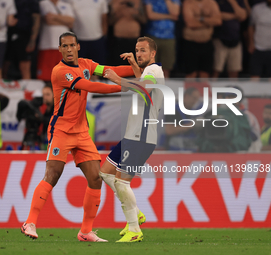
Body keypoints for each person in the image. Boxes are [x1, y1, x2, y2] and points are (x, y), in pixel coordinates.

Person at [21, 32, 137, 242]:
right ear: (59, 49)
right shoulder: (60, 72)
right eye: (64, 46)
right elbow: (89, 86)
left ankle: (85, 231)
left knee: (95, 178)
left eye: (71, 45)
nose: (68, 49)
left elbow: (110, 71)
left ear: (78, 47)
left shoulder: (86, 64)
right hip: (62, 131)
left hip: (82, 131)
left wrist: (140, 68)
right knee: (53, 174)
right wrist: (125, 87)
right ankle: (30, 222)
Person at [100, 36, 164, 242]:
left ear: (153, 53)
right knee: (106, 172)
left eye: (143, 50)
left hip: (141, 135)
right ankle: (135, 213)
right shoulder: (147, 71)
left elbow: (144, 87)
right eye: (137, 50)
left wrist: (117, 79)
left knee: (121, 182)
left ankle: (135, 230)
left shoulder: (154, 71)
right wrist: (135, 66)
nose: (139, 53)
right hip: (132, 134)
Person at [37, 0, 75, 82]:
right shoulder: (43, 3)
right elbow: (48, 20)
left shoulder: (66, 5)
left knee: (64, 75)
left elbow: (71, 21)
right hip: (48, 44)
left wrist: (54, 16)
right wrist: (64, 21)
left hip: (64, 45)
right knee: (46, 75)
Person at [182, 0, 222, 78]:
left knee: (205, 74)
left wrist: (200, 19)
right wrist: (209, 22)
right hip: (190, 43)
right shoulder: (188, 3)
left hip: (207, 43)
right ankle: (189, 90)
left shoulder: (211, 3)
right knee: (191, 74)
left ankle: (204, 90)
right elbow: (191, 24)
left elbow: (218, 21)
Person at [4, 0, 40, 79]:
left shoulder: (32, 2)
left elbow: (36, 20)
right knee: (5, 64)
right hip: (6, 35)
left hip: (25, 35)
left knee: (24, 65)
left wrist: (32, 40)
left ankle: (27, 88)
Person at [144, 0, 180, 78]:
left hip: (169, 37)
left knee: (166, 68)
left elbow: (175, 13)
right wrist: (169, 16)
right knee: (150, 68)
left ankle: (164, 89)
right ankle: (150, 89)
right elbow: (150, 15)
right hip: (152, 36)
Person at [213, 0, 247, 78]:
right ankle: (211, 89)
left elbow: (243, 16)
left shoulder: (238, 1)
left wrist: (232, 2)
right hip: (219, 38)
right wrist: (235, 16)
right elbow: (216, 15)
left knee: (234, 71)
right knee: (216, 70)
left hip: (235, 39)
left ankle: (233, 89)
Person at [109, 0, 146, 66]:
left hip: (135, 40)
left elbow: (144, 20)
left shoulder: (138, 2)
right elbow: (109, 22)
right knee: (118, 66)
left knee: (135, 67)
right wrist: (119, 13)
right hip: (118, 41)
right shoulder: (114, 2)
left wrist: (134, 14)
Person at [70, 0, 108, 65]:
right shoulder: (71, 1)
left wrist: (103, 36)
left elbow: (104, 19)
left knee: (97, 68)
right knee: (79, 67)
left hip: (97, 38)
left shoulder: (101, 1)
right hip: (78, 39)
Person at [164, 87, 201, 151]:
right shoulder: (172, 110)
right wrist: (192, 125)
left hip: (191, 152)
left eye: (197, 99)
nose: (195, 102)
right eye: (194, 98)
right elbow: (169, 130)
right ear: (186, 96)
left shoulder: (195, 113)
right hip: (173, 151)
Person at [248, 0, 271, 79]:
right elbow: (251, 26)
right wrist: (251, 42)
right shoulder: (257, 8)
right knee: (254, 78)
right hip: (258, 48)